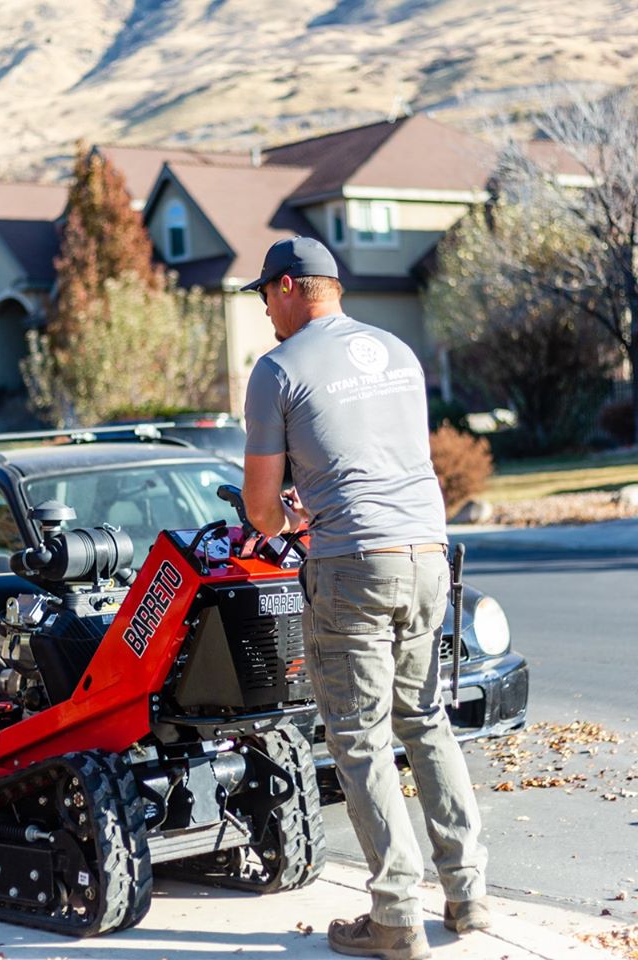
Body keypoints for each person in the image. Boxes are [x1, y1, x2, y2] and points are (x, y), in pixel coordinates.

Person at [240, 236, 489, 960]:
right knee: (425, 717)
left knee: (359, 736)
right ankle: (467, 892)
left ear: (289, 286)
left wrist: (290, 517)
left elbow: (260, 511)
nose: (265, 313)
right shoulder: (397, 351)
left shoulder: (278, 368)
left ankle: (395, 917)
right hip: (427, 554)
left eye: (266, 298)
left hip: (353, 562)